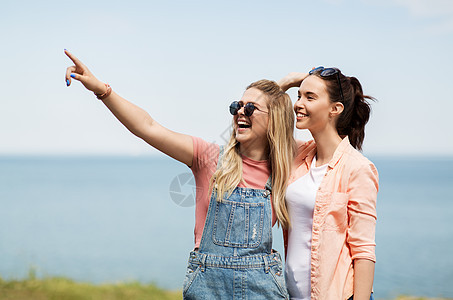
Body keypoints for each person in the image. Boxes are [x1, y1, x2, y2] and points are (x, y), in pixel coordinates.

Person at [64, 50, 295, 299]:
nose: (240, 111)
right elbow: (147, 127)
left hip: (262, 290)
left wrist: (296, 81)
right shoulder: (208, 158)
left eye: (250, 108)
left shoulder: (288, 165)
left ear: (275, 119)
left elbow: (333, 137)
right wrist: (102, 89)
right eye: (236, 106)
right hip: (209, 289)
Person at [278, 67, 379, 300]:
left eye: (310, 97)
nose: (298, 104)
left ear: (335, 109)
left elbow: (363, 249)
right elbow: (261, 123)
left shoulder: (358, 168)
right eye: (299, 95)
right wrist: (285, 83)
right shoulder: (299, 155)